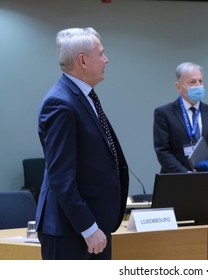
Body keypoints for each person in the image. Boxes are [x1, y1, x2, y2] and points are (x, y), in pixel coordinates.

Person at [35, 27, 129, 260]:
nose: (106, 59)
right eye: (101, 53)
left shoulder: (83, 97)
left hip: (92, 228)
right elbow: (60, 177)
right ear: (82, 61)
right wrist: (88, 227)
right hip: (73, 232)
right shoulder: (60, 103)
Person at [153, 62, 208, 215]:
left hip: (207, 183)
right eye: (192, 82)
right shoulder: (164, 113)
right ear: (179, 86)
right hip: (176, 183)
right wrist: (186, 175)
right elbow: (163, 151)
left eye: (200, 81)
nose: (198, 85)